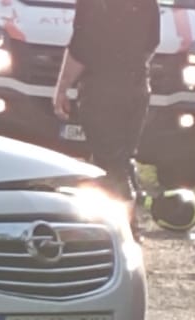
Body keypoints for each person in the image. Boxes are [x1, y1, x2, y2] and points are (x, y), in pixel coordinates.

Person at [52, 0, 159, 219]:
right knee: (122, 158)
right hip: (137, 87)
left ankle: (123, 224)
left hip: (101, 88)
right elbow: (152, 41)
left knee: (110, 163)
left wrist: (62, 88)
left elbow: (81, 47)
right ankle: (124, 218)